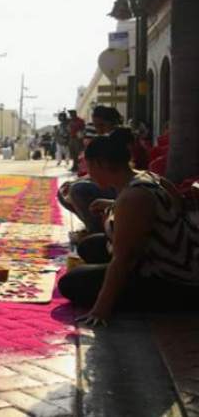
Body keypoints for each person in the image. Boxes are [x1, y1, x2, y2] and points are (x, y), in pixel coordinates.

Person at [58, 129, 199, 324]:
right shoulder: (147, 177)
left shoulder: (134, 197)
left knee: (72, 283)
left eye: (89, 167)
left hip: (175, 279)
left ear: (99, 164)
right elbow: (171, 207)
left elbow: (124, 259)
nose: (89, 174)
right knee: (89, 246)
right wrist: (112, 205)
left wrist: (101, 309)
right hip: (161, 256)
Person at [58, 105, 123, 234]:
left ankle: (96, 231)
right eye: (96, 126)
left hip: (120, 187)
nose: (98, 130)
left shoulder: (119, 140)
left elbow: (117, 173)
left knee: (78, 189)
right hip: (112, 184)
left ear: (113, 123)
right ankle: (94, 225)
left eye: (102, 126)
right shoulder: (104, 140)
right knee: (66, 190)